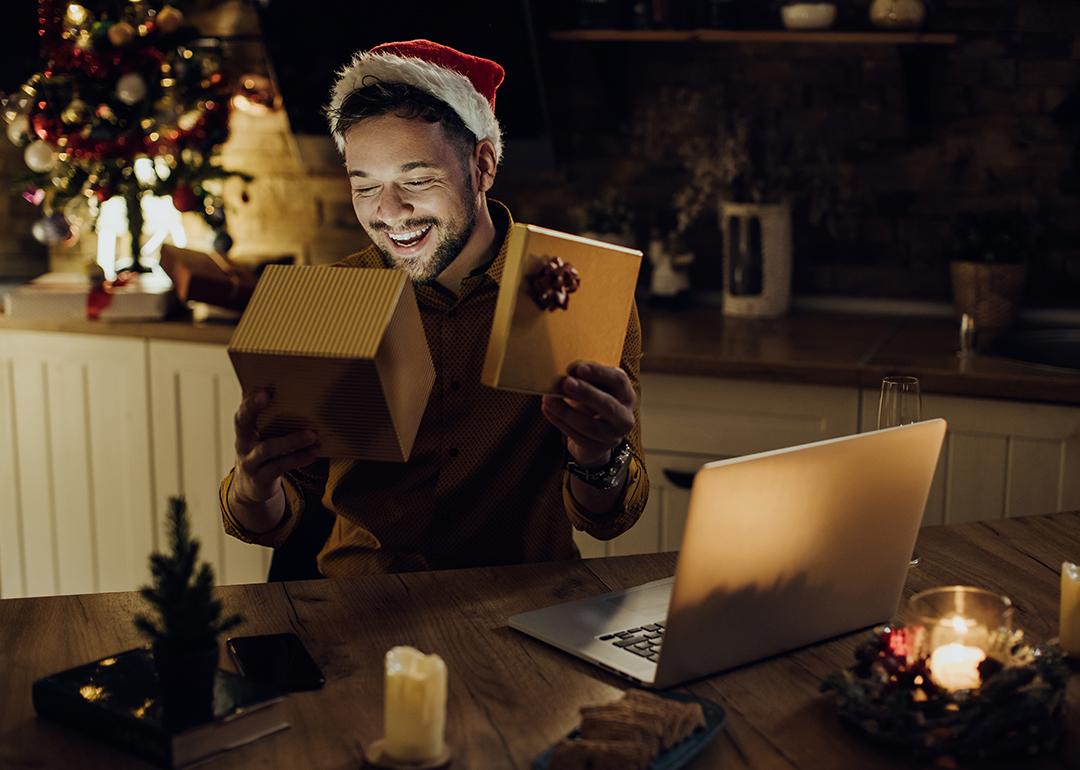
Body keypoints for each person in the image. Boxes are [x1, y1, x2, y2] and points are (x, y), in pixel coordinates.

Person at [218, 40, 649, 577]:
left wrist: (599, 457)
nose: (388, 212)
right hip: (355, 605)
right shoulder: (327, 300)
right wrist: (255, 485)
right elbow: (273, 519)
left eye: (417, 180)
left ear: (483, 164)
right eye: (365, 185)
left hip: (520, 603)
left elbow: (610, 519)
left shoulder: (573, 288)